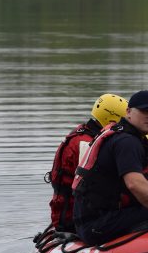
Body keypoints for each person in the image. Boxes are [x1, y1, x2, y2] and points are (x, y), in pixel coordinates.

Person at [72, 90, 148, 246]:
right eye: (145, 111)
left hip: (95, 219)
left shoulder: (127, 136)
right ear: (128, 112)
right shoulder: (127, 142)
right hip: (98, 224)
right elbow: (134, 183)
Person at [46, 94, 127, 232]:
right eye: (125, 121)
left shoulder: (85, 134)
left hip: (71, 213)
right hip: (76, 219)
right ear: (113, 120)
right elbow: (91, 187)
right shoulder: (86, 143)